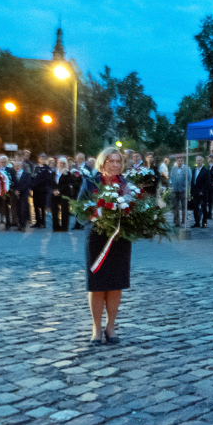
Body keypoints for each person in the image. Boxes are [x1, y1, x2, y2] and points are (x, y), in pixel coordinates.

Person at [78, 147, 132, 344]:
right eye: (111, 161)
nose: (115, 165)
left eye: (118, 161)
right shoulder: (90, 183)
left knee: (115, 284)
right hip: (97, 239)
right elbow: (79, 212)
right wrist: (95, 215)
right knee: (97, 286)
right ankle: (96, 328)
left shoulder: (127, 185)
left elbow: (135, 210)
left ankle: (111, 327)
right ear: (102, 163)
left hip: (120, 241)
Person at [52, 157, 78, 232]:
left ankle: (64, 228)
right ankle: (55, 227)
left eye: (64, 163)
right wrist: (54, 190)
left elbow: (68, 184)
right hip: (54, 193)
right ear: (58, 163)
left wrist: (59, 191)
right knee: (54, 210)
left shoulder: (68, 173)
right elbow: (51, 182)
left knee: (65, 211)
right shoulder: (54, 172)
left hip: (64, 194)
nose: (62, 164)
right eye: (61, 163)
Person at [32, 154, 52, 228]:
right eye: (41, 158)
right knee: (36, 206)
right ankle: (37, 222)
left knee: (43, 207)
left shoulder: (48, 168)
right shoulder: (36, 168)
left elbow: (46, 179)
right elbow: (33, 176)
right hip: (35, 190)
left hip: (42, 190)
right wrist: (32, 184)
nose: (42, 160)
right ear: (38, 159)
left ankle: (43, 222)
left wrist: (36, 184)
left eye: (44, 158)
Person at [190, 156, 210, 228]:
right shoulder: (194, 170)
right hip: (195, 192)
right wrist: (191, 192)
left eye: (200, 160)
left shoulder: (206, 171)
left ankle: (204, 222)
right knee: (195, 208)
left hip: (202, 192)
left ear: (202, 161)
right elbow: (193, 182)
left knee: (204, 208)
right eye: (197, 161)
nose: (198, 162)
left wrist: (202, 191)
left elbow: (207, 183)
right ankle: (197, 222)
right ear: (196, 161)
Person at [169, 156, 188, 228]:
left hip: (183, 190)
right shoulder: (173, 169)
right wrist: (172, 186)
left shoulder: (186, 169)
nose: (179, 162)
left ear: (183, 161)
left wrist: (186, 187)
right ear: (176, 161)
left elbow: (189, 178)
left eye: (181, 160)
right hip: (175, 190)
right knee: (175, 207)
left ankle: (184, 221)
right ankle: (177, 222)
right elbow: (171, 178)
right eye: (178, 160)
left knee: (184, 207)